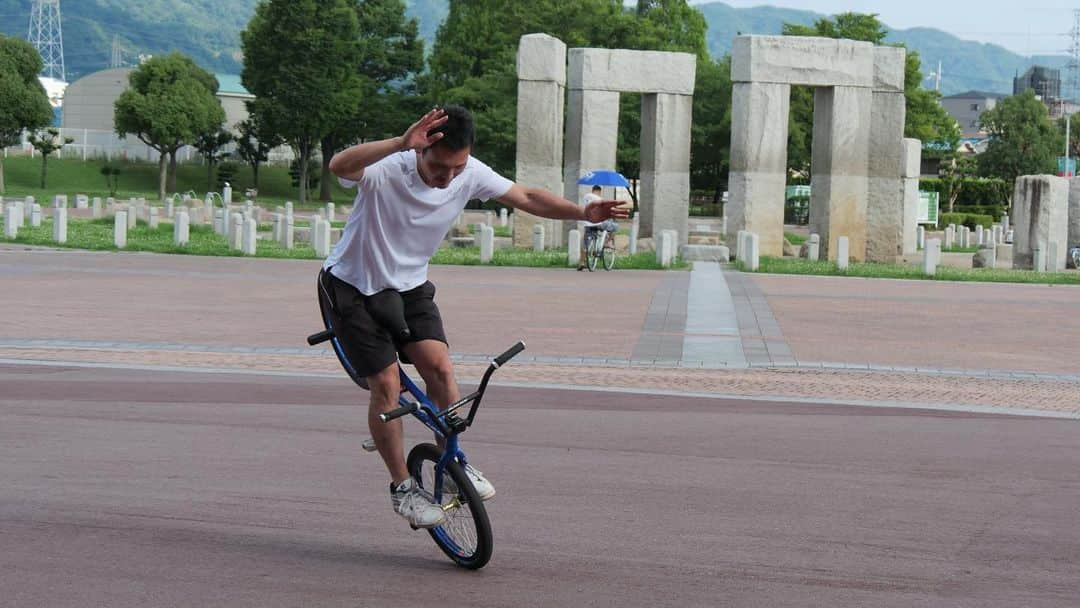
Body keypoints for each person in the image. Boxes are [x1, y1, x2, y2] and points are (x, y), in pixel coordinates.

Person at [323, 106, 628, 529]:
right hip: (352, 286)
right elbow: (339, 166)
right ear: (422, 147)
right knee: (387, 385)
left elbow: (526, 197)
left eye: (458, 167)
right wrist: (399, 142)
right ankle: (403, 488)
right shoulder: (388, 167)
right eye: (439, 166)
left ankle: (452, 466)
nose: (449, 178)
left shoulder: (469, 172)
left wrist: (581, 213)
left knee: (442, 369)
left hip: (409, 286)